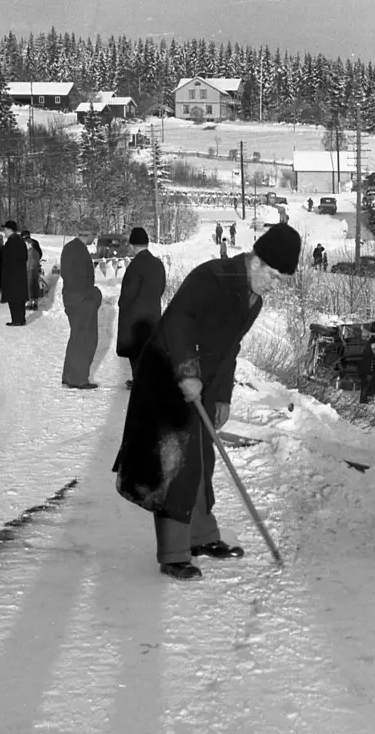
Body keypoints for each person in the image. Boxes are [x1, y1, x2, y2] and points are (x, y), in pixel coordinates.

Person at [113, 221, 302, 581]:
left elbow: (229, 349)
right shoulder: (212, 277)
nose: (275, 286)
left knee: (202, 458)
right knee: (173, 464)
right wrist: (187, 372)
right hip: (167, 376)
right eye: (275, 276)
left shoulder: (253, 299)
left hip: (201, 384)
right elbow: (178, 323)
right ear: (257, 261)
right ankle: (173, 554)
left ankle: (201, 536)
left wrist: (222, 397)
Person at [115, 225, 166, 387]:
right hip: (153, 314)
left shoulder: (135, 266)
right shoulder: (158, 264)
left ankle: (141, 382)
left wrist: (122, 304)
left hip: (135, 317)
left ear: (132, 245)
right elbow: (161, 288)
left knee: (135, 351)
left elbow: (128, 293)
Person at [60, 226, 103, 389]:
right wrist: (94, 295)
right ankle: (78, 379)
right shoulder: (79, 250)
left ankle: (69, 375)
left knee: (76, 337)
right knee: (86, 340)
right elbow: (80, 280)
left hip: (72, 300)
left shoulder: (69, 247)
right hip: (82, 302)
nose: (95, 238)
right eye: (95, 234)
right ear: (89, 233)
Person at [1, 220, 30, 326]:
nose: (4, 232)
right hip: (20, 273)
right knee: (19, 297)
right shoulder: (20, 240)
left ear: (9, 230)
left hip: (12, 274)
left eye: (5, 229)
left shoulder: (11, 242)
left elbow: (8, 259)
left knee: (13, 298)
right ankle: (21, 319)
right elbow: (25, 257)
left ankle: (17, 320)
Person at [24, 231, 43, 310]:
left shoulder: (29, 252)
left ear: (29, 244)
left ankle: (28, 303)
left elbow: (27, 261)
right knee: (35, 286)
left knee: (29, 286)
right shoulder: (36, 252)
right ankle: (35, 303)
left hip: (29, 270)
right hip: (35, 270)